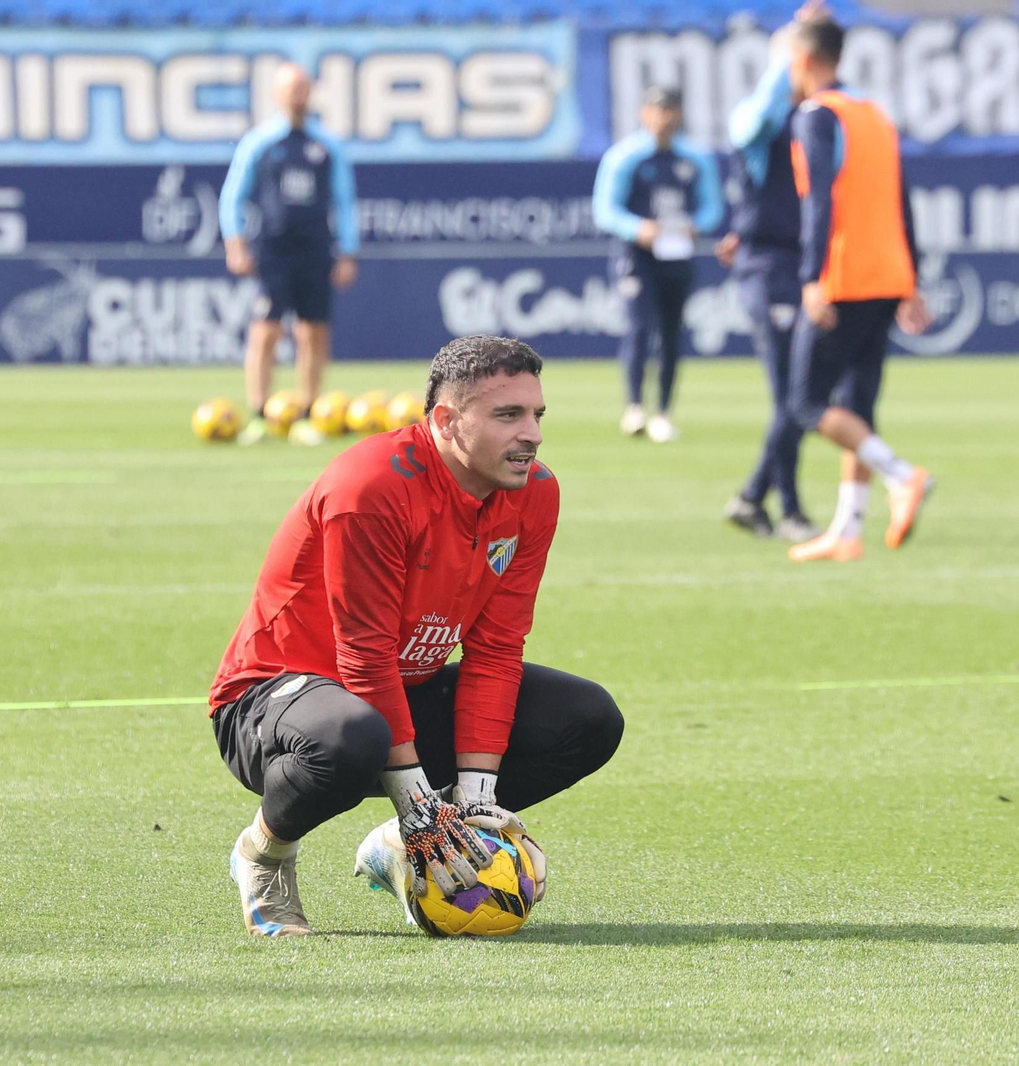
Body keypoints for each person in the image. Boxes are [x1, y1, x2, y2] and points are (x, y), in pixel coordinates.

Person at [207, 335, 624, 936]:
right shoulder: (370, 485)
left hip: (396, 692)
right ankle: (263, 854)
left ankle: (415, 845)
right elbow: (364, 654)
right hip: (274, 700)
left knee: (588, 720)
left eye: (537, 414)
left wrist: (474, 800)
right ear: (447, 421)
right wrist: (414, 803)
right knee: (352, 737)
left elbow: (497, 649)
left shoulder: (534, 490)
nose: (531, 434)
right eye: (508, 415)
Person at [780, 19, 936, 562]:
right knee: (857, 407)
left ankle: (902, 475)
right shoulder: (873, 113)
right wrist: (911, 279)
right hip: (887, 275)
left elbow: (819, 199)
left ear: (804, 60)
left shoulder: (816, 115)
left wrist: (811, 277)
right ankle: (848, 530)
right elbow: (902, 199)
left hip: (844, 277)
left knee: (805, 403)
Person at [716, 10, 820, 544]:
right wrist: (787, 53)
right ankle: (788, 509)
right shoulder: (760, 122)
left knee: (803, 394)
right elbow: (751, 123)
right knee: (793, 396)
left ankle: (755, 498)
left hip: (804, 268)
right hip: (770, 268)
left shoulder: (813, 119)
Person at [219, 63, 359, 447]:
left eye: (302, 88)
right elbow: (233, 195)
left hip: (315, 248)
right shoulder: (260, 142)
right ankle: (259, 414)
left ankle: (308, 414)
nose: (297, 95)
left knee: (313, 331)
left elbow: (345, 201)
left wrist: (348, 252)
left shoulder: (326, 145)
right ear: (277, 94)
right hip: (273, 249)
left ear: (310, 93)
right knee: (266, 329)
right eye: (290, 89)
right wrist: (235, 243)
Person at [593, 85, 724, 443]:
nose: (663, 117)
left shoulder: (695, 158)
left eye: (670, 109)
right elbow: (605, 210)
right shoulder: (626, 157)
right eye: (657, 109)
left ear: (679, 114)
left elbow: (713, 207)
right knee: (638, 328)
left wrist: (696, 225)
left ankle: (664, 412)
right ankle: (635, 407)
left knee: (671, 334)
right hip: (637, 256)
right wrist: (639, 229)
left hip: (676, 255)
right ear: (644, 113)